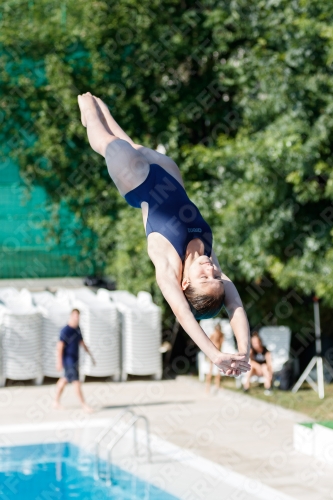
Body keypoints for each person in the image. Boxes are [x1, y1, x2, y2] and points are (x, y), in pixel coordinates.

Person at [77, 92, 251, 377]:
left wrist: (214, 353)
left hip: (136, 182)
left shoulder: (168, 266)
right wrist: (243, 350)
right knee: (129, 142)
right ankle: (95, 102)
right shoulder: (209, 256)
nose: (211, 269)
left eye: (205, 277)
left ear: (185, 282)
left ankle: (85, 106)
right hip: (169, 175)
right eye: (216, 276)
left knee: (110, 143)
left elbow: (183, 313)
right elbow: (235, 305)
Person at [53, 308, 95, 412]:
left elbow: (82, 342)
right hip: (68, 360)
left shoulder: (77, 329)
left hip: (75, 360)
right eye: (75, 316)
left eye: (78, 316)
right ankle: (83, 404)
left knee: (64, 380)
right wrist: (58, 362)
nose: (77, 318)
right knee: (76, 382)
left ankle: (55, 401)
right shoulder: (66, 330)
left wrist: (91, 356)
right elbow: (60, 347)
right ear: (71, 316)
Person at [205, 323, 224, 393]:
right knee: (214, 369)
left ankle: (212, 386)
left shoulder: (216, 334)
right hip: (216, 352)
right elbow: (221, 343)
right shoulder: (220, 334)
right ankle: (211, 386)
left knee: (214, 370)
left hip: (214, 352)